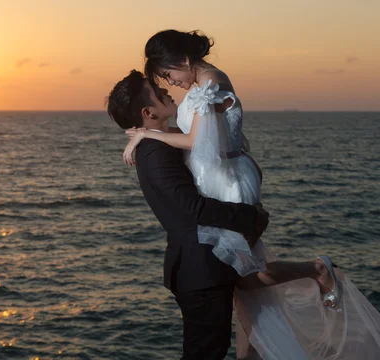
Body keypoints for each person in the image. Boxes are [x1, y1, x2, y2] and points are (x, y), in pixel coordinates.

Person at [108, 30, 380, 358]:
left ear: (183, 60)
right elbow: (200, 135)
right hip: (216, 182)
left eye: (169, 75)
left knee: (250, 278)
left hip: (228, 186)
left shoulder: (212, 82)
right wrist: (148, 134)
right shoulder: (199, 87)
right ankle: (257, 344)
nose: (171, 83)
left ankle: (317, 270)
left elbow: (198, 140)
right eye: (162, 81)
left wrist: (148, 134)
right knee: (245, 286)